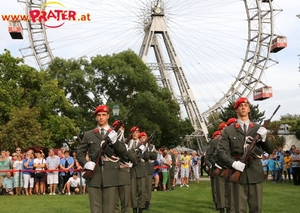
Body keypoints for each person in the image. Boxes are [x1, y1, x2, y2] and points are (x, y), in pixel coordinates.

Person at [216, 97, 274, 213]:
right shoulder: (229, 130)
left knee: (256, 209)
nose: (243, 107)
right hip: (238, 174)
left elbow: (270, 150)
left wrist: (264, 138)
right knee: (238, 209)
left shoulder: (258, 128)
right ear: (236, 110)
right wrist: (233, 164)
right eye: (240, 105)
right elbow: (220, 152)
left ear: (249, 109)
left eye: (245, 105)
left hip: (255, 172)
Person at [76, 105, 128, 213]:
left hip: (111, 177)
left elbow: (123, 153)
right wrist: (85, 164)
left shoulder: (116, 133)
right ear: (96, 117)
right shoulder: (89, 134)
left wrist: (115, 142)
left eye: (104, 115)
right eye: (99, 115)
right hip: (94, 177)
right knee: (95, 210)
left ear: (108, 116)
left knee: (110, 210)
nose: (101, 117)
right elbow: (80, 153)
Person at [128, 126, 148, 213]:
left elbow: (147, 157)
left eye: (136, 132)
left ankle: (141, 208)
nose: (135, 134)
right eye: (133, 132)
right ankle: (134, 208)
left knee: (141, 190)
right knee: (132, 191)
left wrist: (141, 155)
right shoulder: (128, 143)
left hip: (140, 168)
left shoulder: (142, 144)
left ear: (139, 133)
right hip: (131, 169)